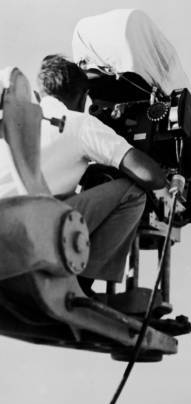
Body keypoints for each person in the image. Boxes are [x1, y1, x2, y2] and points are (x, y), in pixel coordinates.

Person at [35, 55, 175, 295]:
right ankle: (79, 286)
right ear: (82, 98)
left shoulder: (17, 120)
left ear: (40, 94)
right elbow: (151, 176)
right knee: (133, 192)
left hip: (10, 225)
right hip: (40, 232)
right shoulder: (79, 123)